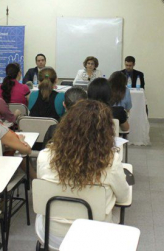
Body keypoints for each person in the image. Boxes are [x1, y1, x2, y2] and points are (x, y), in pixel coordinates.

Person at [36, 100, 130, 248]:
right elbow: (124, 197)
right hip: (95, 240)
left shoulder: (44, 156)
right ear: (106, 132)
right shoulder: (111, 161)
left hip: (52, 237)